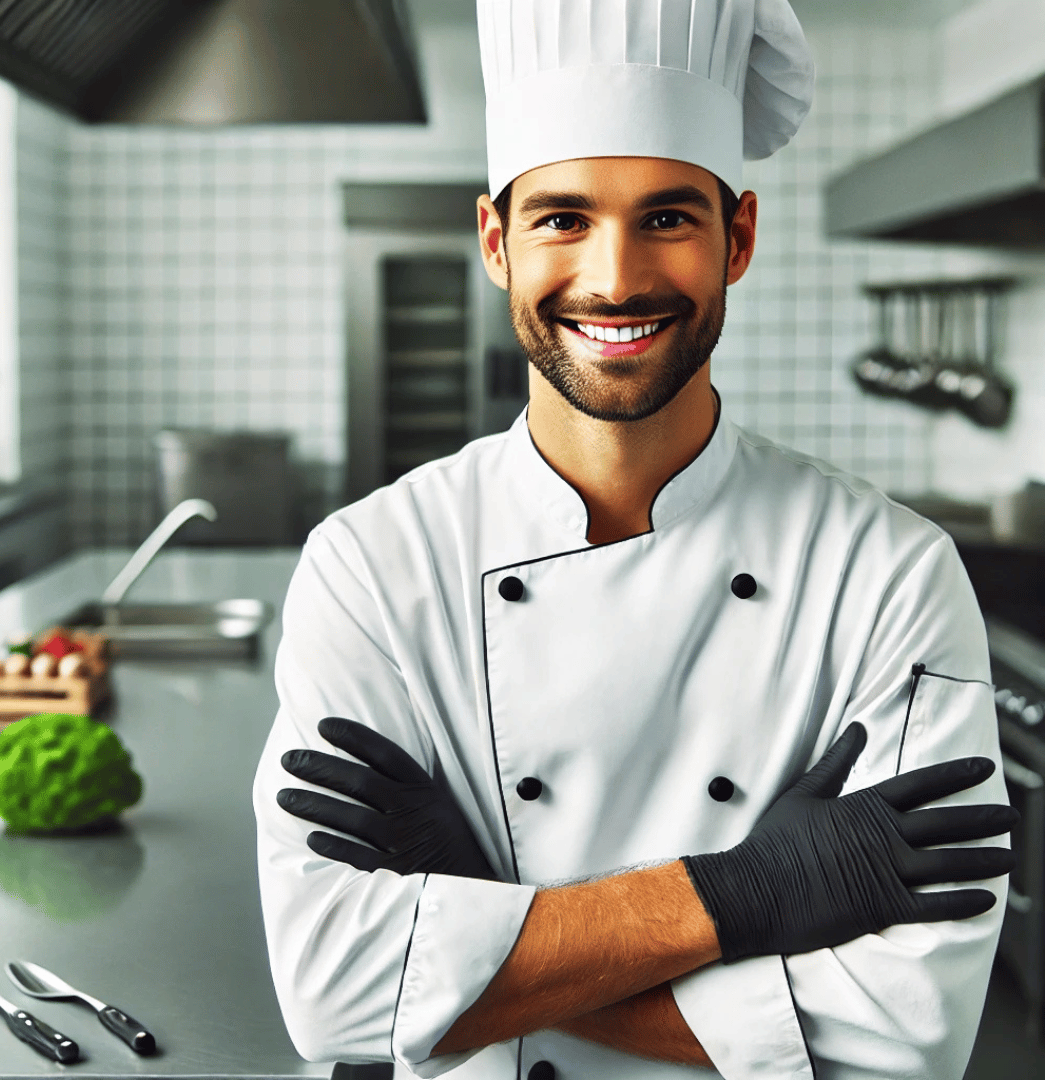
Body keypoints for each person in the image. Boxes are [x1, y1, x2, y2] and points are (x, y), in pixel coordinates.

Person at [252, 2, 1017, 1077]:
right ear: (494, 243)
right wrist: (746, 896)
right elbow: (333, 994)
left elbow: (906, 1034)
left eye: (666, 218)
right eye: (562, 218)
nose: (614, 279)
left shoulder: (889, 573)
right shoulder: (371, 564)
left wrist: (475, 935)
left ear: (737, 237)